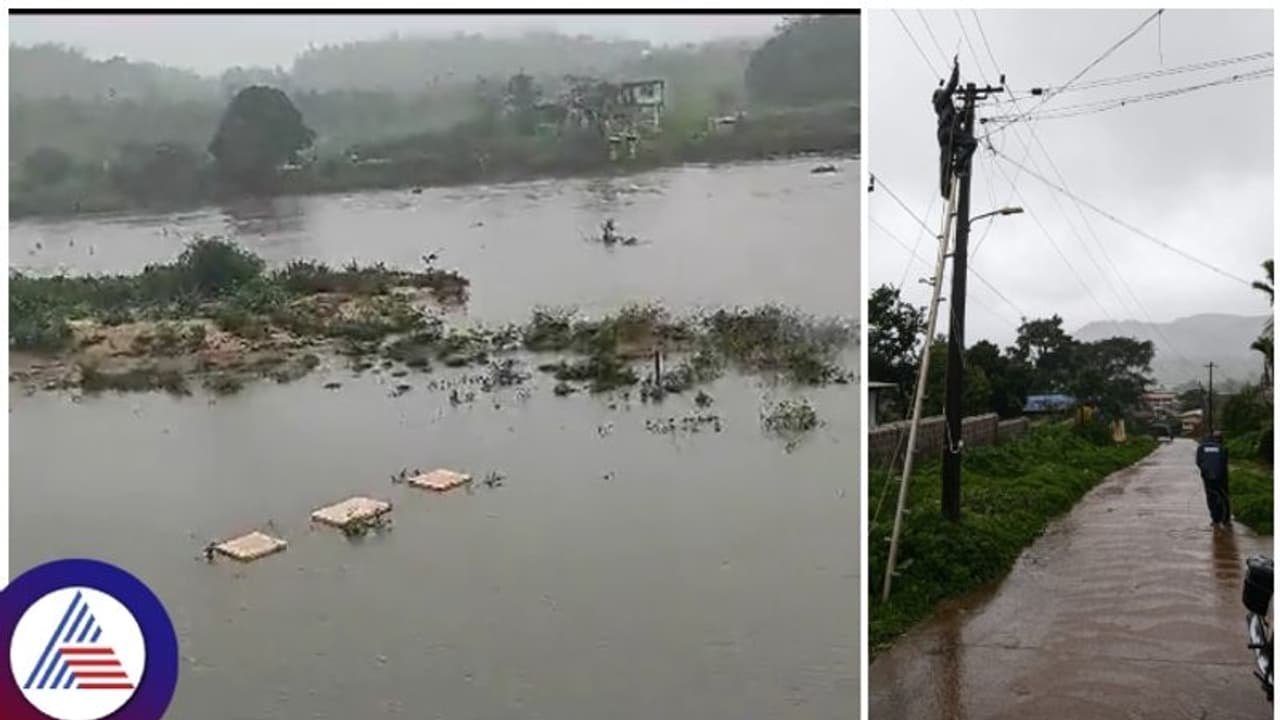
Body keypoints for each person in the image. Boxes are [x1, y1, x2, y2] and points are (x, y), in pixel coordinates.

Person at [932, 57, 977, 199]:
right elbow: (952, 85)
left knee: (946, 161)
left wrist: (966, 110)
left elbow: (958, 118)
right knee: (971, 143)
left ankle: (946, 189)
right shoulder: (942, 100)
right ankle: (958, 167)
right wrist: (956, 68)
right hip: (949, 132)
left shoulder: (945, 111)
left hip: (944, 134)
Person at [1196, 431, 1231, 527]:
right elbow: (1224, 463)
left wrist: (1206, 472)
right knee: (1224, 498)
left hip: (1207, 478)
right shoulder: (1223, 448)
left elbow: (1198, 462)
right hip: (1221, 478)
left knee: (1211, 497)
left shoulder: (1201, 448)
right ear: (1221, 439)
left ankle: (1215, 519)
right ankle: (1226, 520)